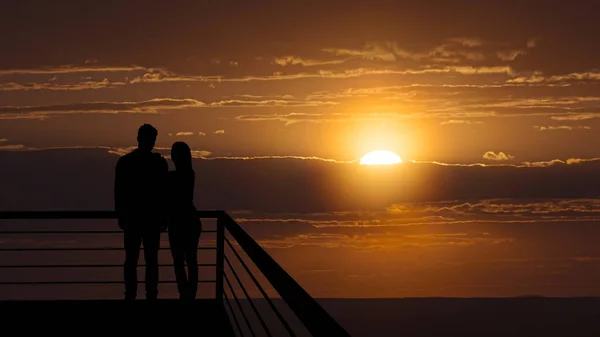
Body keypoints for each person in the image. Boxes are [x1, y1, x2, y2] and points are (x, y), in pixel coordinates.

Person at [114, 124, 168, 301]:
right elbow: (162, 193)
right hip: (149, 219)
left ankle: (131, 295)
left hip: (134, 218)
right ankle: (150, 295)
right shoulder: (159, 163)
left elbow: (119, 192)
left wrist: (121, 215)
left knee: (132, 259)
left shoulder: (125, 162)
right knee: (149, 259)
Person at [167, 141, 202, 300]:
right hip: (188, 222)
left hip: (180, 223)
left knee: (181, 261)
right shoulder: (188, 173)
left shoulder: (183, 174)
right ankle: (188, 295)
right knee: (189, 261)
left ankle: (186, 294)